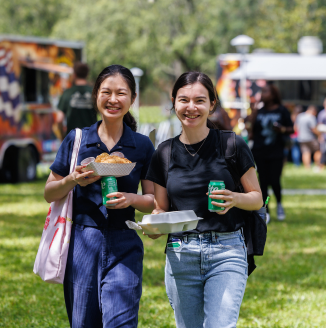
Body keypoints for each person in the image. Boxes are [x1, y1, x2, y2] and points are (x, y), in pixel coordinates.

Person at [145, 72, 262, 327]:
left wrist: (234, 198)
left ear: (212, 105)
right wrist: (154, 224)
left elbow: (256, 199)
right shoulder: (164, 153)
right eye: (184, 100)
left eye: (199, 100)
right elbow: (161, 209)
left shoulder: (232, 143)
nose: (191, 107)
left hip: (227, 250)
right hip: (180, 252)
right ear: (174, 102)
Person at [44, 65, 155, 327]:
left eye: (121, 93)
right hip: (82, 242)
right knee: (83, 323)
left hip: (124, 241)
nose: (113, 99)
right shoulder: (78, 139)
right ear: (96, 95)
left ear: (133, 99)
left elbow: (153, 202)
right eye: (106, 92)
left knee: (121, 323)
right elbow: (49, 193)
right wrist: (73, 179)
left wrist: (130, 199)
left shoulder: (142, 145)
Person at [249, 83, 293, 221]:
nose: (262, 94)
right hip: (260, 151)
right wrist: (254, 111)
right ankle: (265, 209)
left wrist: (282, 130)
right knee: (263, 183)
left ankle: (279, 203)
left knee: (274, 181)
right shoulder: (259, 111)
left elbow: (291, 129)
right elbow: (250, 130)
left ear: (273, 95)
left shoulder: (282, 110)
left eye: (265, 91)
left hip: (276, 152)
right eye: (262, 91)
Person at [56, 62, 98, 137]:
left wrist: (63, 136)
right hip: (91, 139)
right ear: (87, 75)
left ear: (74, 75)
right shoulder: (94, 93)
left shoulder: (67, 93)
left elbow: (59, 119)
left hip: (73, 139)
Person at [295, 105, 320, 169]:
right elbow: (313, 128)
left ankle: (307, 168)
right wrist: (319, 134)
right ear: (313, 111)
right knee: (317, 151)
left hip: (301, 138)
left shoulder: (299, 116)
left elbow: (295, 127)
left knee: (305, 152)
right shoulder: (311, 117)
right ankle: (318, 166)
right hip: (311, 138)